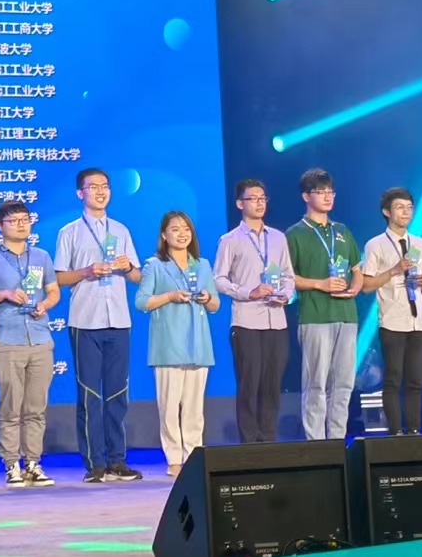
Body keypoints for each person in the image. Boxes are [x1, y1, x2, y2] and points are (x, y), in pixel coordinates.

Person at [55, 168, 144, 483]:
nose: (101, 191)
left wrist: (128, 266)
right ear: (80, 193)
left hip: (118, 320)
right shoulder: (69, 232)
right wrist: (87, 271)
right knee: (90, 394)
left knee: (117, 393)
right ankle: (95, 463)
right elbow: (59, 277)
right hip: (85, 321)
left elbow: (137, 276)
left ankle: (118, 461)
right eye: (93, 187)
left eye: (105, 186)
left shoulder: (120, 230)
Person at [0, 201, 61, 488]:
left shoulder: (42, 256)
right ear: (0, 226)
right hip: (8, 340)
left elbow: (53, 291)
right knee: (10, 408)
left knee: (36, 408)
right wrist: (6, 294)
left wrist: (45, 305)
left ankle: (33, 464)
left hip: (40, 338)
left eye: (25, 219)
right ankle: (11, 464)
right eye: (14, 221)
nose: (22, 225)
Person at [136, 211, 220, 475]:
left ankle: (193, 456)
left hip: (198, 344)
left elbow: (216, 305)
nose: (182, 234)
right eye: (175, 229)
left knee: (195, 408)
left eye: (186, 229)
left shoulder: (202, 265)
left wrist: (207, 298)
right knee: (170, 407)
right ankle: (173, 458)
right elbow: (142, 302)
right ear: (164, 235)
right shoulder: (154, 265)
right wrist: (170, 296)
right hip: (168, 345)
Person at [212, 178, 293, 443]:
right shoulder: (230, 240)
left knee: (272, 384)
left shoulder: (278, 238)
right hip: (246, 321)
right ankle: (249, 443)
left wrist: (286, 294)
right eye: (253, 198)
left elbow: (288, 275)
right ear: (240, 203)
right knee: (250, 383)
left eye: (262, 198)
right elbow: (218, 279)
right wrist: (249, 292)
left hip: (276, 320)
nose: (259, 203)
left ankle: (268, 439)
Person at [284, 168, 363, 441]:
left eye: (331, 192)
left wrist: (355, 287)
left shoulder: (342, 231)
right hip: (315, 316)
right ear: (306, 196)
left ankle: (337, 440)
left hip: (347, 315)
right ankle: (316, 444)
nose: (328, 197)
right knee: (316, 384)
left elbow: (357, 269)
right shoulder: (294, 234)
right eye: (321, 192)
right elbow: (287, 278)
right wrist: (321, 284)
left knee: (344, 384)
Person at [359, 188, 422, 435]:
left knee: (416, 380)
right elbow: (366, 286)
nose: (406, 212)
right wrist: (393, 270)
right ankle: (395, 432)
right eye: (400, 207)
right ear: (386, 211)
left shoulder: (420, 243)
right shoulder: (375, 244)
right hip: (392, 319)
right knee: (393, 379)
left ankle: (414, 430)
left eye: (409, 207)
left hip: (419, 320)